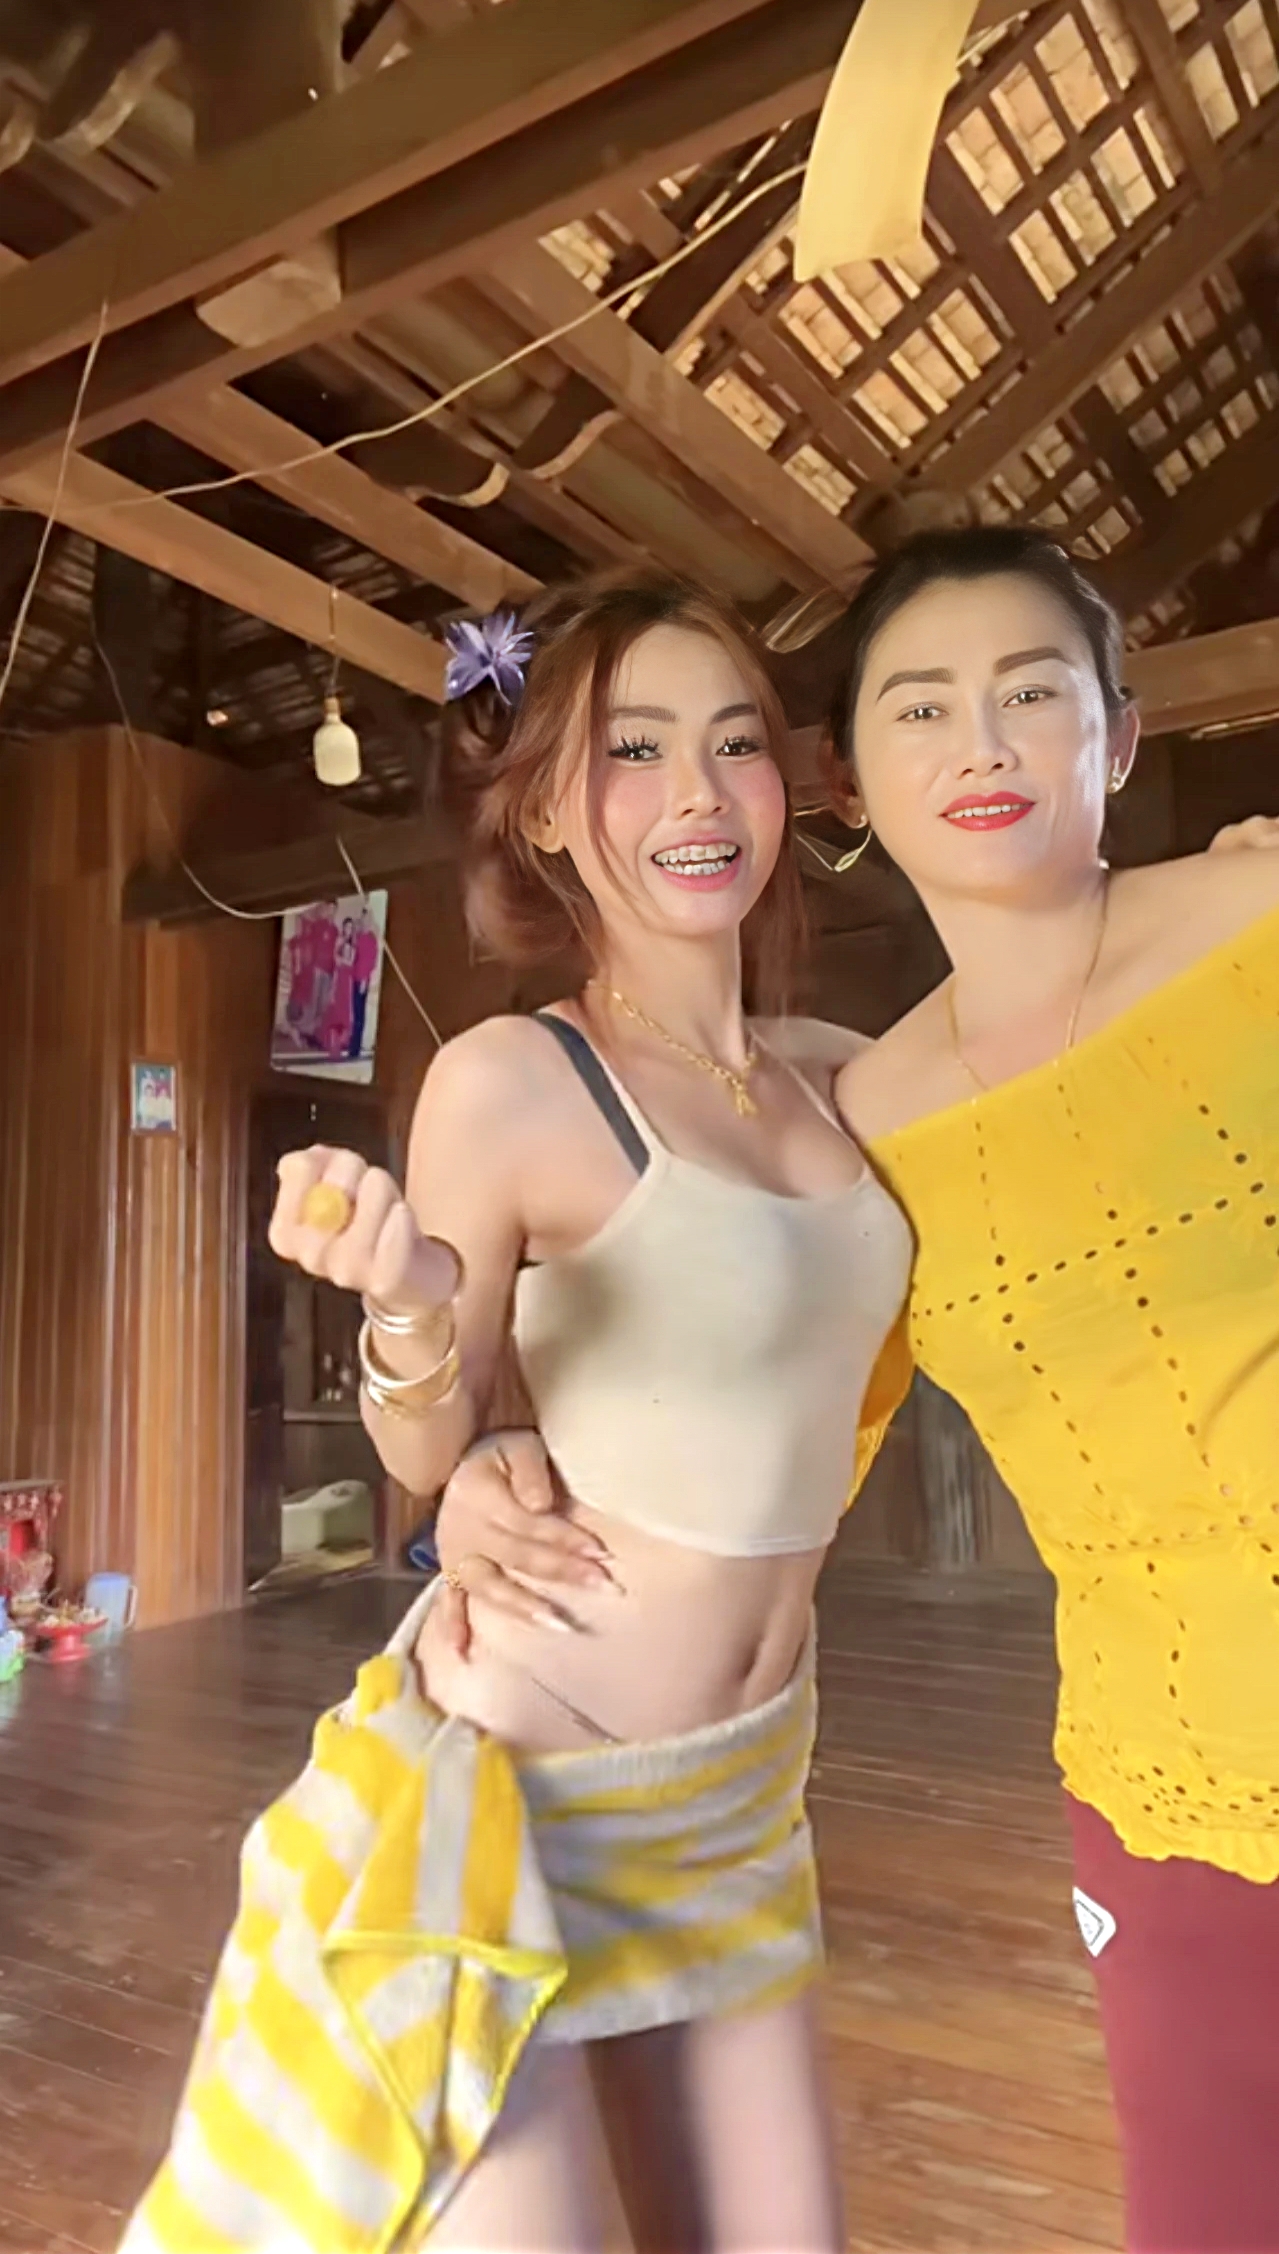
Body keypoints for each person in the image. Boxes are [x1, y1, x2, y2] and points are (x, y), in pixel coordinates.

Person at [434, 529, 1279, 2254]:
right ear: (854, 782)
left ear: (1120, 735)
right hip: (1161, 1782)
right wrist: (473, 1457)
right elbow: (748, 1426)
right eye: (921, 708)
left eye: (1031, 693)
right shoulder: (868, 1119)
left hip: (812, 1803)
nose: (981, 744)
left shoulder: (1241, 935)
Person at [121, 568, 912, 2254]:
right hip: (525, 1800)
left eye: (735, 744)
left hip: (738, 1812)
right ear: (548, 806)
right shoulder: (513, 1081)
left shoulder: (839, 1072)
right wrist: (412, 1309)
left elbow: (1042, 1047)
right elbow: (428, 1447)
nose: (698, 793)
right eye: (636, 748)